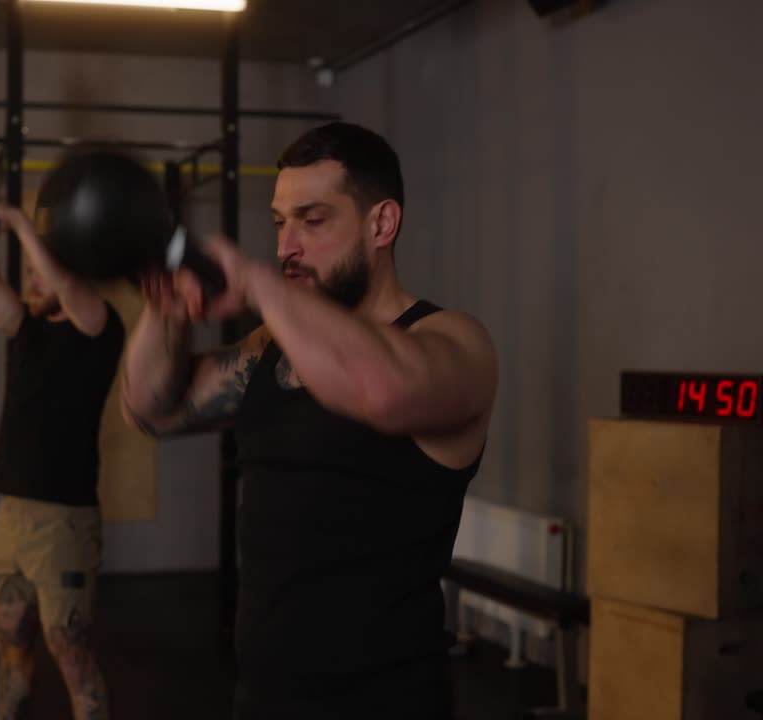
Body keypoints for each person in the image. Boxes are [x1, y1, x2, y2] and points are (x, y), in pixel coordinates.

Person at [119, 121, 498, 719]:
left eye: (312, 220)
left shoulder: (455, 342)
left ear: (382, 223)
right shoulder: (272, 345)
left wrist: (260, 285)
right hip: (266, 697)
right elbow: (149, 408)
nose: (286, 246)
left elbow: (380, 391)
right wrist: (165, 311)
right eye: (279, 222)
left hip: (386, 703)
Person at [0, 188, 125, 720]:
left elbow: (68, 287)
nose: (32, 281)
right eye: (28, 273)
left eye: (39, 271)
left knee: (67, 646)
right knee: (10, 639)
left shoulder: (99, 328)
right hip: (13, 512)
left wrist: (22, 226)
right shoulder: (25, 330)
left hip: (64, 521)